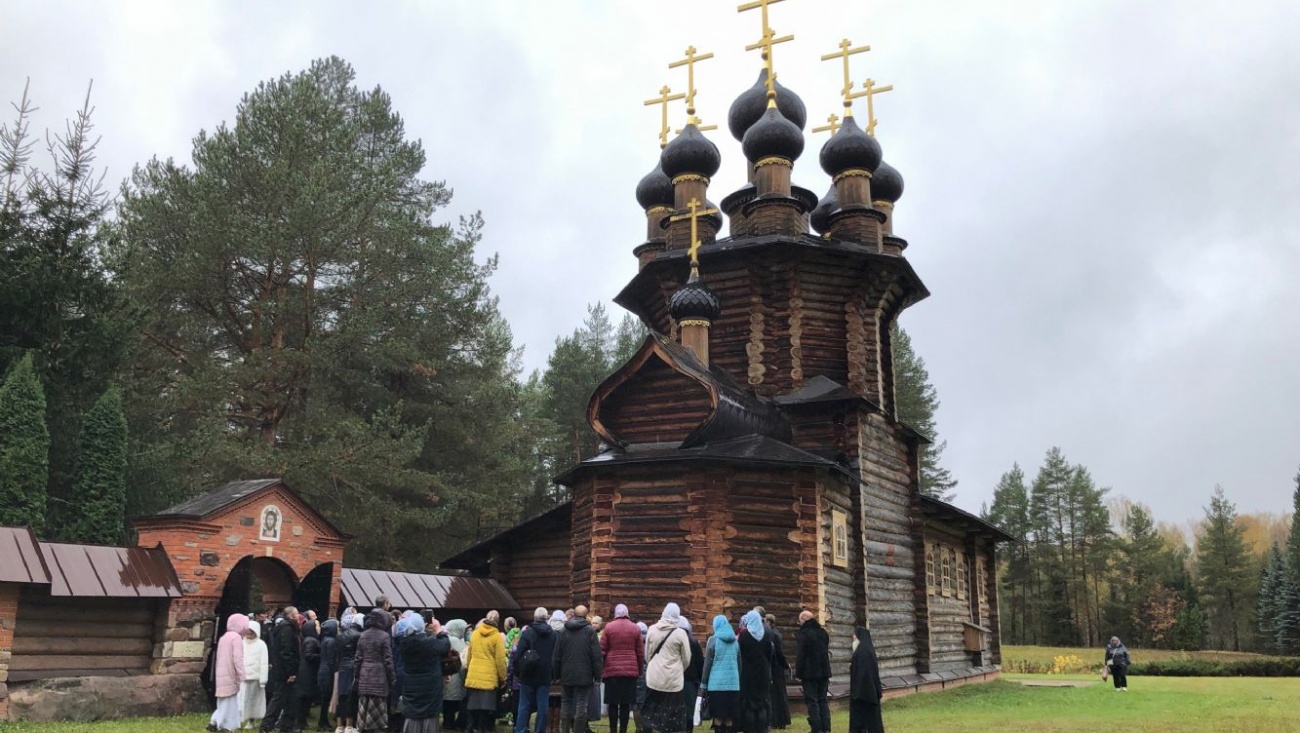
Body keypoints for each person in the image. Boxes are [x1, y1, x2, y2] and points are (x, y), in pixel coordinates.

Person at [398, 612, 452, 733]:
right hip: (430, 690)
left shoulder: (405, 644)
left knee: (412, 716)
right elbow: (445, 645)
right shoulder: (429, 643)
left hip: (411, 688)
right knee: (429, 718)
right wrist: (439, 630)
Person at [553, 604, 603, 733]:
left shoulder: (563, 631)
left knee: (566, 703)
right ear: (586, 616)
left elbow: (557, 655)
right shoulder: (590, 631)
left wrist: (557, 675)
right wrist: (597, 676)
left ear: (574, 614)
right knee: (581, 704)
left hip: (567, 673)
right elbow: (596, 656)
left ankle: (564, 730)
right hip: (585, 674)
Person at [642, 603, 690, 733]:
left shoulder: (652, 629)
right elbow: (687, 658)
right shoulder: (680, 634)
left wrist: (654, 666)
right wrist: (678, 670)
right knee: (671, 715)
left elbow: (647, 654)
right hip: (673, 681)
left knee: (651, 711)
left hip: (654, 678)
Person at [513, 607, 558, 733]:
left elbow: (518, 654)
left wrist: (517, 672)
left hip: (528, 672)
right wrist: (554, 674)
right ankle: (540, 730)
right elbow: (556, 656)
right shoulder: (553, 635)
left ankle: (520, 730)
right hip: (545, 673)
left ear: (534, 617)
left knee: (524, 705)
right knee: (543, 705)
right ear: (546, 618)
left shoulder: (527, 632)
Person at [602, 604, 645, 733]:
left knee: (613, 703)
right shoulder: (635, 628)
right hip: (630, 672)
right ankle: (623, 730)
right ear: (627, 613)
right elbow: (640, 652)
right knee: (626, 704)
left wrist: (603, 668)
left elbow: (602, 650)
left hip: (612, 670)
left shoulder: (608, 627)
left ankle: (613, 730)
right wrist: (639, 670)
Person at [465, 611, 508, 733]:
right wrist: (503, 677)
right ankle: (482, 729)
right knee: (485, 708)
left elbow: (469, 655)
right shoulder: (497, 637)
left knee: (473, 706)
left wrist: (469, 669)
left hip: (474, 674)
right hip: (489, 677)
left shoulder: (475, 634)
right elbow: (500, 660)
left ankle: (470, 728)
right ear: (498, 622)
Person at [356, 608, 397, 733]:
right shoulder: (384, 636)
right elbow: (388, 660)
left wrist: (356, 675)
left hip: (364, 674)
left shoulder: (363, 635)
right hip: (379, 676)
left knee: (364, 707)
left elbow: (358, 658)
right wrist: (392, 678)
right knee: (378, 715)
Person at [263, 606, 302, 733]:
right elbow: (287, 651)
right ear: (291, 616)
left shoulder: (287, 628)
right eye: (296, 614)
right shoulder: (287, 629)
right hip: (285, 671)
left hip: (284, 669)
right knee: (279, 699)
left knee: (291, 699)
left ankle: (286, 726)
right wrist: (291, 672)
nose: (298, 616)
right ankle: (266, 726)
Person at [209, 614, 248, 732]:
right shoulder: (236, 638)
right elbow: (237, 658)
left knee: (223, 699)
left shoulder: (224, 637)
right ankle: (225, 725)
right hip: (230, 673)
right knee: (229, 700)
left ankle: (215, 721)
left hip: (221, 671)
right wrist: (242, 674)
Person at [701, 616, 739, 733]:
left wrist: (703, 683)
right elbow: (739, 663)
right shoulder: (735, 641)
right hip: (733, 685)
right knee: (729, 717)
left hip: (716, 685)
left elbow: (707, 664)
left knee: (717, 716)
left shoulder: (713, 640)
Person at [794, 611, 830, 733]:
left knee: (812, 700)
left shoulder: (804, 634)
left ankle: (816, 727)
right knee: (823, 700)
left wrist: (798, 673)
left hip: (809, 673)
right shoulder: (823, 632)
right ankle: (826, 727)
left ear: (804, 620)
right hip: (824, 671)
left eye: (800, 621)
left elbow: (801, 655)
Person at [737, 611, 772, 733]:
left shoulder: (744, 635)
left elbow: (740, 653)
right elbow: (769, 653)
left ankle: (749, 728)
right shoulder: (767, 634)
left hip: (748, 672)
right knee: (761, 702)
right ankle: (761, 727)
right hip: (763, 672)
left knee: (749, 703)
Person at [848, 628, 883, 733]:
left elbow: (864, 673)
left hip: (863, 693)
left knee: (863, 720)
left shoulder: (862, 652)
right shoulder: (866, 650)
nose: (853, 638)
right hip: (869, 691)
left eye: (855, 636)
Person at [336, 611, 364, 733]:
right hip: (353, 667)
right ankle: (349, 725)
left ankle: (339, 726)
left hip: (342, 666)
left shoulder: (341, 635)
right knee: (351, 696)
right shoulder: (359, 635)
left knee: (341, 695)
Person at [764, 615, 791, 730]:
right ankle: (781, 720)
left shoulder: (772, 634)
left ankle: (776, 720)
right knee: (779, 694)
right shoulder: (775, 633)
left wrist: (784, 664)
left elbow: (778, 653)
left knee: (775, 695)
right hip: (778, 667)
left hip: (775, 667)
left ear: (769, 622)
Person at [243, 619, 271, 730]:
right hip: (243, 677)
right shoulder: (242, 643)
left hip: (255, 678)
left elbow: (264, 663)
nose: (249, 635)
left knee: (252, 700)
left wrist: (263, 679)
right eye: (247, 633)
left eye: (251, 633)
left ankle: (251, 720)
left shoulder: (261, 645)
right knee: (243, 699)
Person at [443, 619, 469, 732]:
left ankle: (447, 723)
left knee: (447, 704)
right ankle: (451, 724)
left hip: (447, 678)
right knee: (453, 703)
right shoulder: (456, 641)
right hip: (456, 678)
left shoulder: (446, 639)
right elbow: (463, 661)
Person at [297, 617, 323, 731]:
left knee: (306, 698)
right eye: (317, 626)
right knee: (305, 697)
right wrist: (322, 656)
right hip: (307, 672)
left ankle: (302, 721)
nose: (319, 628)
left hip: (307, 671)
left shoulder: (309, 639)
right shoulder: (311, 640)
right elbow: (309, 655)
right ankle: (300, 722)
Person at [678, 618, 702, 733]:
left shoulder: (675, 640)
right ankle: (689, 729)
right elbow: (700, 662)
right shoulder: (694, 642)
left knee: (678, 707)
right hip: (691, 680)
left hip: (676, 679)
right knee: (689, 709)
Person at [317, 619, 339, 731]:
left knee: (324, 698)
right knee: (325, 698)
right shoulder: (331, 641)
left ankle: (323, 721)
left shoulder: (325, 639)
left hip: (323, 670)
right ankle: (323, 722)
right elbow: (331, 659)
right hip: (327, 672)